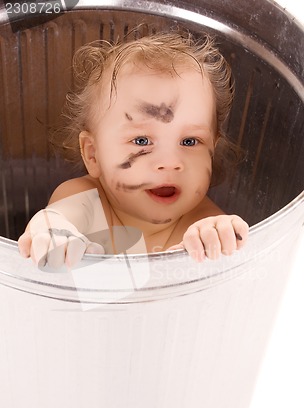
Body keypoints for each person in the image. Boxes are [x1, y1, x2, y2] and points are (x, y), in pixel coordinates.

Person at [18, 31, 249, 269]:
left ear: (212, 149)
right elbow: (56, 219)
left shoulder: (200, 219)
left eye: (189, 141)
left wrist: (219, 236)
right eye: (141, 140)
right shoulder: (86, 199)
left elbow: (223, 251)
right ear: (93, 154)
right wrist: (53, 233)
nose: (170, 162)